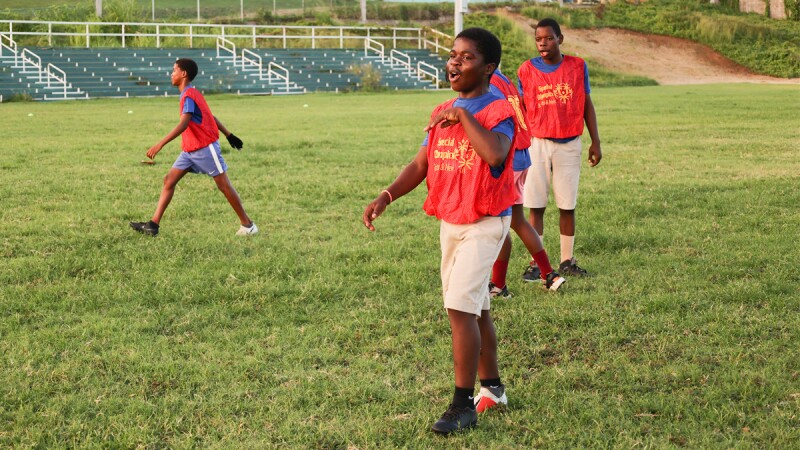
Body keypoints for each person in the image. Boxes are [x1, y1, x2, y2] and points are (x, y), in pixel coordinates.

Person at [362, 28, 514, 434]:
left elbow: (496, 153)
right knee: (476, 306)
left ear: (488, 68)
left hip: (485, 222)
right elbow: (421, 163)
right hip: (452, 218)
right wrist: (386, 196)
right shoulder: (441, 109)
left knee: (459, 309)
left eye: (466, 58)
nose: (454, 63)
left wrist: (465, 116)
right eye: (452, 55)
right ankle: (494, 389)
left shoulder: (498, 110)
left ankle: (462, 404)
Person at [129, 58, 257, 237]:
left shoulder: (189, 95)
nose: (171, 73)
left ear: (184, 74)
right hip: (189, 150)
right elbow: (210, 116)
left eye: (174, 70)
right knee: (169, 181)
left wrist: (159, 144)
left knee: (224, 186)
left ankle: (248, 225)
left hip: (205, 149)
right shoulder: (191, 93)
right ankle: (153, 225)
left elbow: (184, 123)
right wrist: (229, 135)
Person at [517, 18, 602, 276]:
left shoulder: (577, 66)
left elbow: (586, 103)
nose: (543, 43)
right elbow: (520, 110)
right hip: (537, 143)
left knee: (567, 204)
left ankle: (567, 260)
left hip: (569, 143)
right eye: (538, 39)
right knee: (536, 206)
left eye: (549, 38)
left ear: (560, 39)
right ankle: (536, 264)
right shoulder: (526, 70)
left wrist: (595, 140)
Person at [488, 69, 565, 297]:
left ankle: (499, 286)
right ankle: (549, 274)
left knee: (498, 223)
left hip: (509, 158)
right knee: (517, 219)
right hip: (523, 154)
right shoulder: (502, 78)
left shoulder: (489, 82)